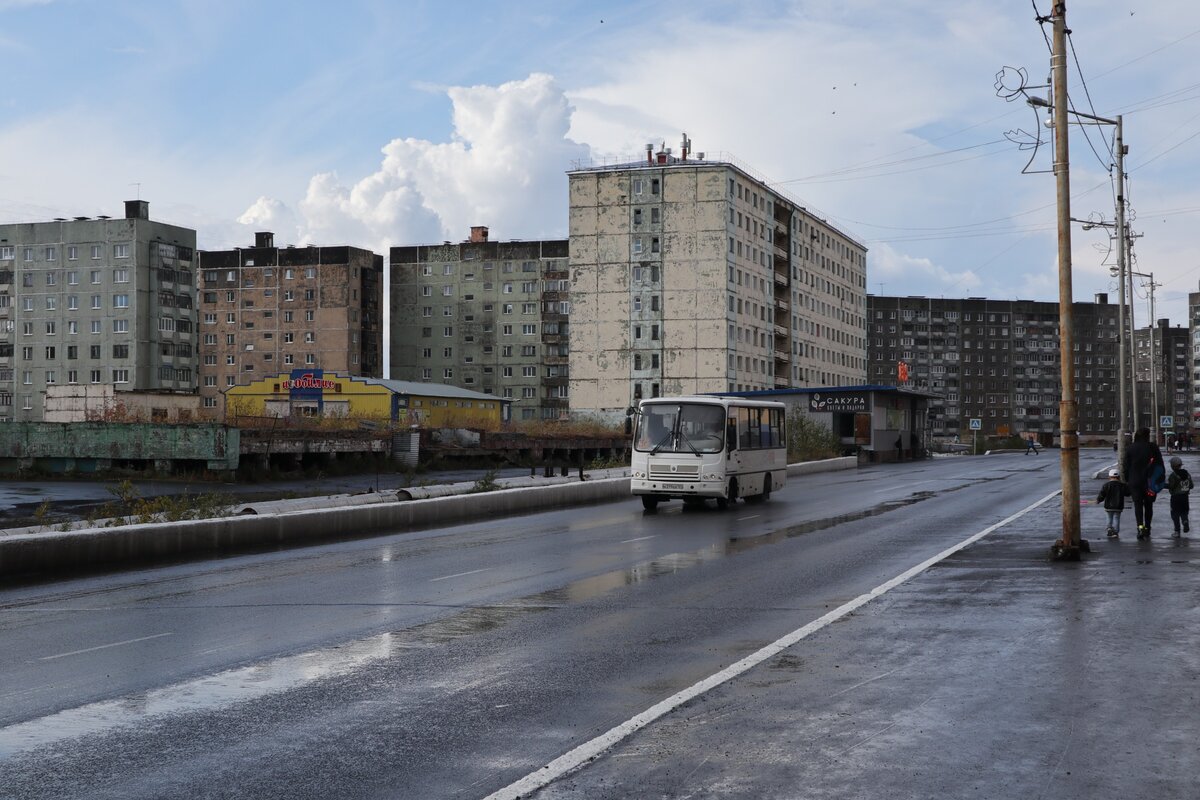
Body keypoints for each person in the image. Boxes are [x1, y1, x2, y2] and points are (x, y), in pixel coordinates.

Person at [1122, 427, 1166, 540]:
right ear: (1147, 436)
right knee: (1148, 505)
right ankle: (1147, 528)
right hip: (1150, 482)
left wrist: (1127, 480)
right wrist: (1160, 479)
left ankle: (1139, 527)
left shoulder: (1131, 448)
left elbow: (1126, 466)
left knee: (1137, 505)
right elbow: (1160, 465)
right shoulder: (1152, 447)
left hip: (1135, 481)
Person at [1096, 468, 1128, 539]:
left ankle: (1109, 528)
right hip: (1118, 506)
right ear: (1119, 477)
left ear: (1109, 477)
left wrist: (1098, 500)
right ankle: (1116, 532)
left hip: (1108, 506)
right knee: (1117, 518)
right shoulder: (1122, 485)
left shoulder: (1106, 485)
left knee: (1109, 517)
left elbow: (1102, 494)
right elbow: (1127, 493)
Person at [1167, 456, 1193, 537]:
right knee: (1184, 512)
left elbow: (1171, 486)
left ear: (1173, 466)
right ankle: (1185, 522)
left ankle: (1177, 531)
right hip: (1185, 497)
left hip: (1175, 498)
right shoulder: (1187, 474)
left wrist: (1162, 485)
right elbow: (1191, 486)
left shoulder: (1173, 475)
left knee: (1175, 514)